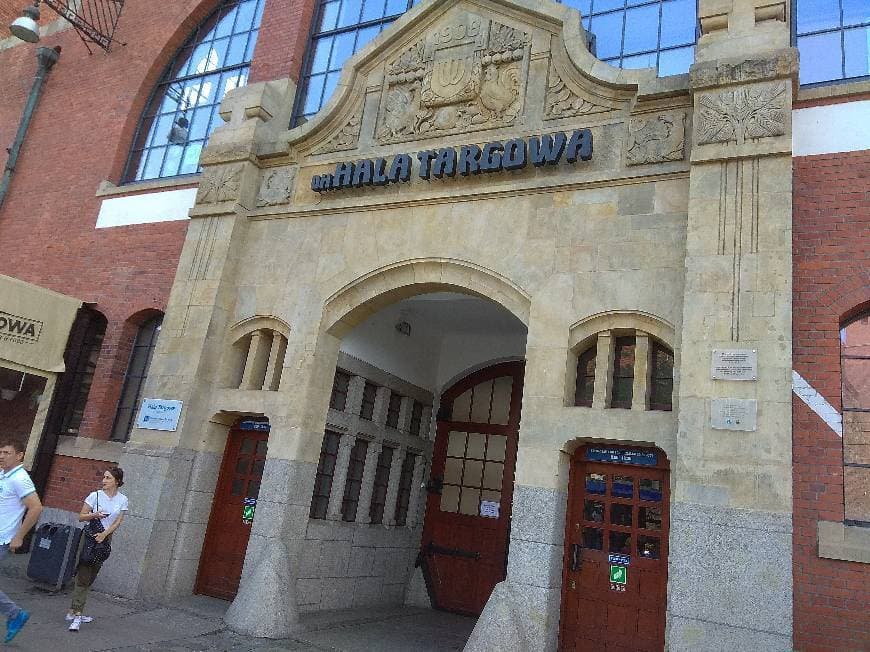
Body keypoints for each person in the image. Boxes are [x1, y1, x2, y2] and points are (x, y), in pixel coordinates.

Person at [67, 467, 128, 632]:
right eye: (104, 477)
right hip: (90, 538)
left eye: (108, 478)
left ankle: (73, 611)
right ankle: (78, 614)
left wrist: (105, 534)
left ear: (117, 481)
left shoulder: (123, 499)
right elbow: (81, 516)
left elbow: (118, 521)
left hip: (105, 539)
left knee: (93, 574)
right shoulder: (95, 496)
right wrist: (95, 515)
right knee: (84, 575)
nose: (104, 480)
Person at [0, 437, 43, 643]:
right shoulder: (4, 474)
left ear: (19, 456)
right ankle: (15, 614)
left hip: (3, 538)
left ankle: (15, 614)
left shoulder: (20, 478)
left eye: (7, 453)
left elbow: (36, 507)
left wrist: (19, 536)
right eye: (0, 452)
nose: (2, 456)